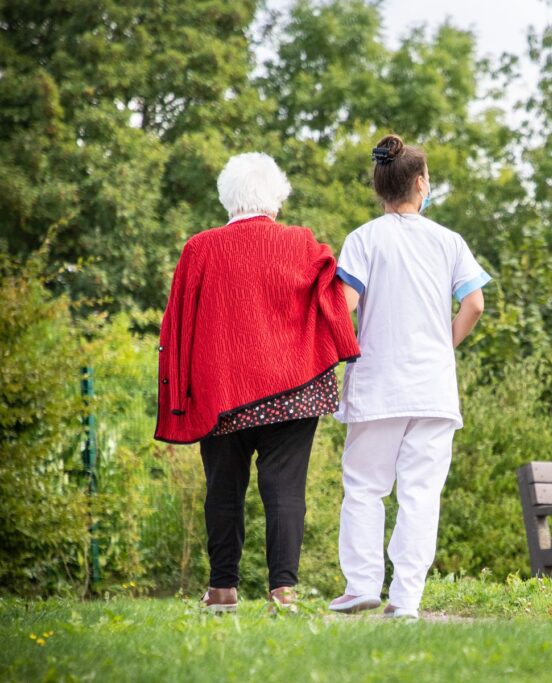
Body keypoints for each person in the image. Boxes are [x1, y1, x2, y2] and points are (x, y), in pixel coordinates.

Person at [154, 152, 360, 613]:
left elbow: (178, 325)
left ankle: (223, 589)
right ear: (276, 198)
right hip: (293, 389)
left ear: (228, 199)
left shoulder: (199, 249)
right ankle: (283, 592)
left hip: (220, 392)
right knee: (285, 489)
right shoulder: (302, 243)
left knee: (223, 488)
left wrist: (179, 390)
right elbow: (333, 302)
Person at [328, 135, 490, 619]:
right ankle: (406, 600)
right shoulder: (449, 242)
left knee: (364, 487)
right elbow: (475, 303)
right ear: (420, 184)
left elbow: (346, 306)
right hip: (433, 388)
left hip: (378, 384)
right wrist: (444, 345)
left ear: (380, 188)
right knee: (421, 494)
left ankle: (360, 585)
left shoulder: (363, 239)